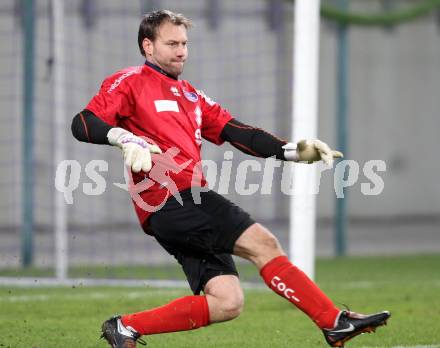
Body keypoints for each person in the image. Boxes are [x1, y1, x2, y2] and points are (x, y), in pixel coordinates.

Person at [71, 10, 390, 348]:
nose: (181, 51)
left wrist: (293, 151)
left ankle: (125, 327)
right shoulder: (130, 82)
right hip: (174, 199)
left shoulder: (191, 96)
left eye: (184, 44)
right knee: (264, 245)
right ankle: (333, 322)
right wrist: (124, 138)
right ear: (147, 46)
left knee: (227, 302)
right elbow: (83, 123)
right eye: (171, 43)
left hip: (177, 209)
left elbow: (237, 132)